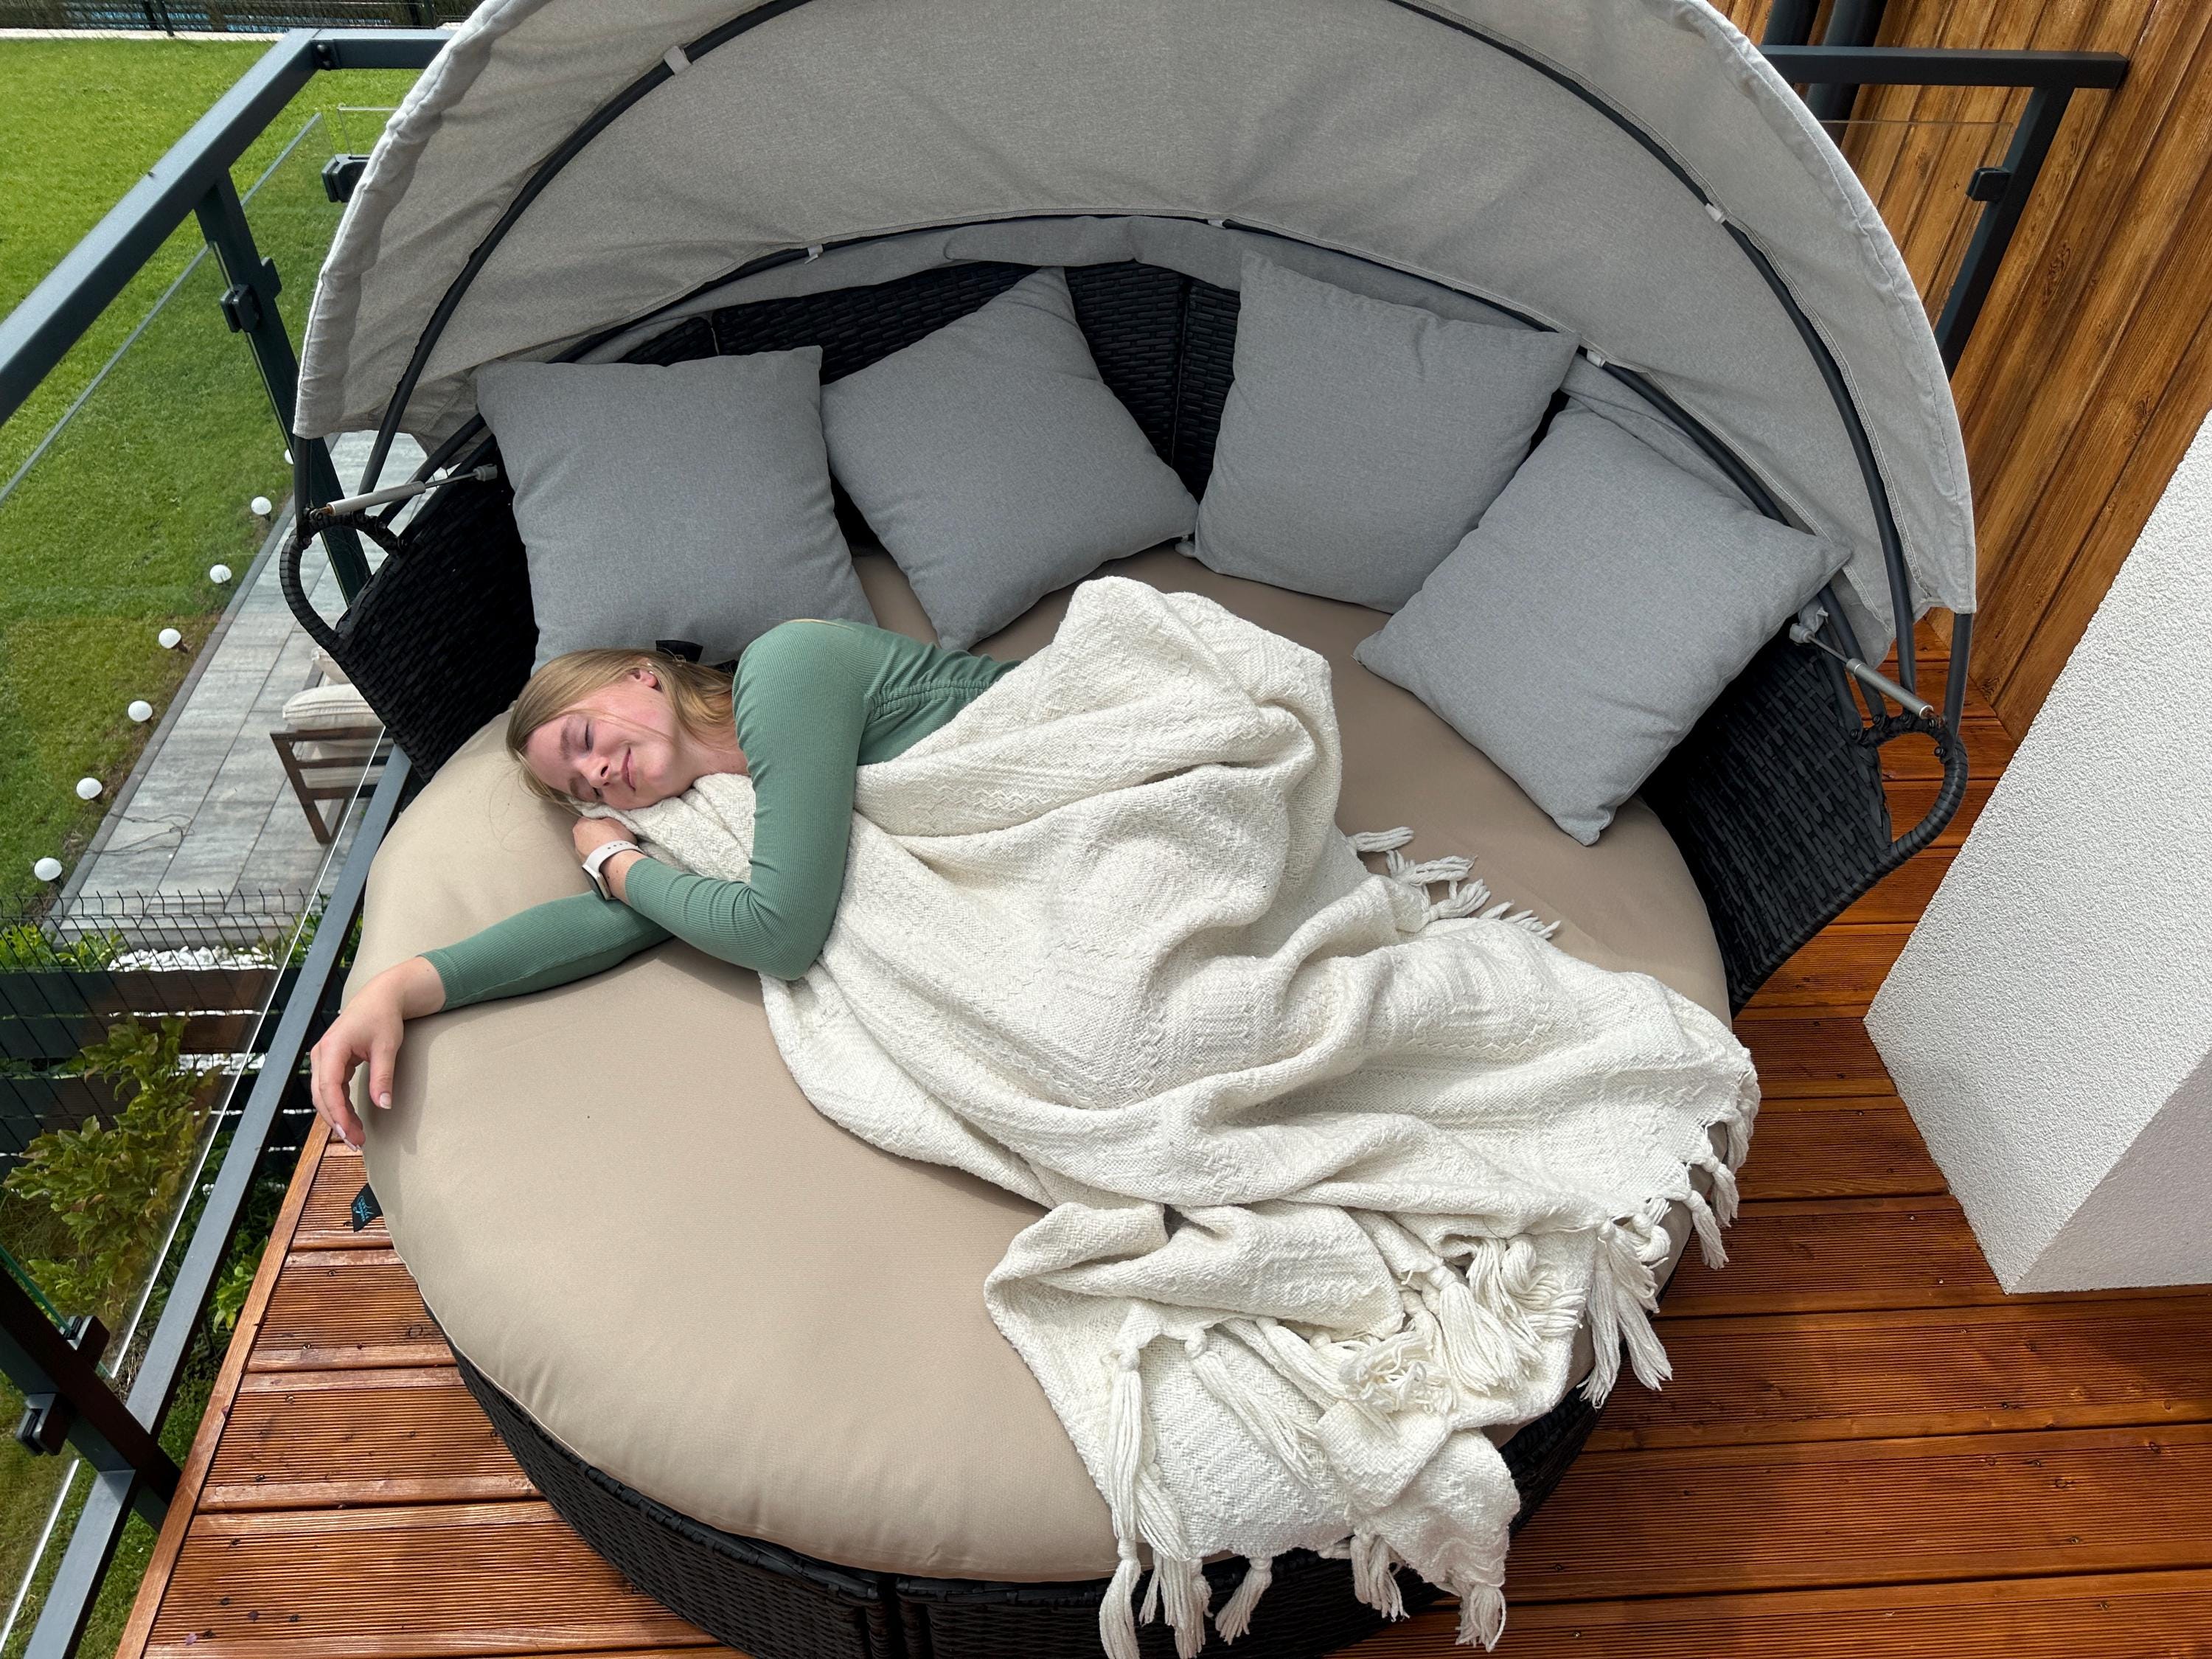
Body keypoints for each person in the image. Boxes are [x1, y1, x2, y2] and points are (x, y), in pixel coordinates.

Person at [307, 616, 1021, 1150]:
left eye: (584, 740)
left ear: (641, 676)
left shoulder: (788, 667)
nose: (597, 773)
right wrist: (398, 988)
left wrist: (614, 863)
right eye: (585, 788)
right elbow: (617, 920)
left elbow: (779, 933)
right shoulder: (706, 812)